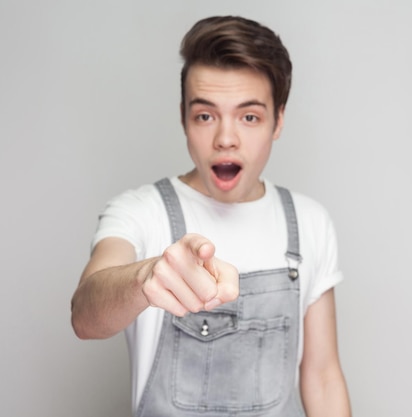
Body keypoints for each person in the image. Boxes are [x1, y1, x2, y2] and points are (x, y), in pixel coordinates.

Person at [71, 15, 351, 417]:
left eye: (249, 116)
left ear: (279, 120)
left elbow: (323, 376)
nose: (225, 138)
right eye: (205, 115)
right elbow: (85, 316)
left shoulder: (309, 222)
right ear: (184, 115)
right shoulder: (140, 211)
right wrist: (146, 276)